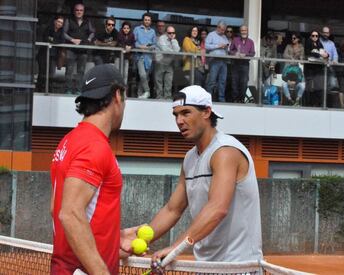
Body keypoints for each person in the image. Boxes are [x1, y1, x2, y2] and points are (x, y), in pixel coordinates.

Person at [123, 85, 263, 264]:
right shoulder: (190, 158)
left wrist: (176, 247)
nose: (179, 121)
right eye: (176, 115)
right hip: (205, 264)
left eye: (186, 113)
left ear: (206, 112)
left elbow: (217, 208)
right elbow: (172, 210)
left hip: (238, 266)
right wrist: (138, 240)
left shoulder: (225, 151)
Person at [50, 64, 128, 274]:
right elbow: (70, 213)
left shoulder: (68, 141)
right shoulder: (95, 146)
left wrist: (114, 238)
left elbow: (56, 209)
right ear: (117, 96)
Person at [63, 3, 95, 94]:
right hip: (71, 49)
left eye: (81, 10)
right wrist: (72, 40)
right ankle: (68, 90)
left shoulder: (87, 21)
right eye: (77, 10)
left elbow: (92, 32)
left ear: (83, 12)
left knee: (81, 71)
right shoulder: (69, 20)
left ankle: (78, 90)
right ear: (74, 11)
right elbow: (64, 33)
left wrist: (88, 39)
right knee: (69, 70)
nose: (79, 12)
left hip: (83, 49)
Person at [36, 15, 65, 93]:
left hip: (54, 56)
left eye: (61, 23)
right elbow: (46, 38)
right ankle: (40, 89)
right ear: (55, 21)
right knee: (42, 72)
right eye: (58, 21)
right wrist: (55, 41)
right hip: (43, 54)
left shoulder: (61, 31)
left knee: (51, 74)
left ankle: (49, 89)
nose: (59, 24)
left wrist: (53, 40)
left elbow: (61, 41)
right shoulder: (48, 28)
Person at [229, 25, 255, 103]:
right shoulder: (235, 40)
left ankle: (241, 100)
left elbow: (253, 53)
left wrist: (245, 55)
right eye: (242, 30)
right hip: (235, 64)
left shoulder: (251, 41)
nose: (244, 32)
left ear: (247, 31)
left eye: (245, 30)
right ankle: (235, 100)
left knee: (244, 82)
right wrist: (235, 53)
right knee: (234, 82)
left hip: (245, 64)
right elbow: (230, 51)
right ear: (240, 32)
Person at [133, 13, 156, 99]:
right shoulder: (137, 29)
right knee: (142, 75)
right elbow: (134, 42)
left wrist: (149, 47)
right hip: (140, 56)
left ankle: (140, 94)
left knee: (145, 77)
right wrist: (141, 46)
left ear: (150, 21)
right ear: (143, 20)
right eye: (145, 19)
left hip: (149, 58)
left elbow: (154, 45)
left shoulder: (152, 31)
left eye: (148, 20)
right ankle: (147, 91)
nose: (147, 21)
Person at [205, 21, 230, 102]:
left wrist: (227, 48)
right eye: (222, 30)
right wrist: (218, 46)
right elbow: (206, 46)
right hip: (214, 60)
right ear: (218, 27)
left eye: (224, 30)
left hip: (223, 61)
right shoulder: (211, 35)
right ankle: (208, 99)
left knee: (223, 81)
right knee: (212, 81)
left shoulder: (224, 37)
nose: (223, 31)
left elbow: (227, 48)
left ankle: (221, 98)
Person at [154, 25, 180, 99]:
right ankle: (159, 97)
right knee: (159, 82)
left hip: (169, 64)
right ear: (166, 33)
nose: (171, 34)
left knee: (168, 82)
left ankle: (167, 97)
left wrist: (172, 41)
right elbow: (164, 49)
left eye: (173, 33)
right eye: (169, 33)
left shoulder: (174, 40)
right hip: (160, 62)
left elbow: (177, 51)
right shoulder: (161, 38)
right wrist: (173, 52)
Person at [304, 30, 328, 107]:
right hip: (309, 68)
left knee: (318, 86)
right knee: (309, 87)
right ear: (310, 36)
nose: (315, 37)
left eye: (316, 36)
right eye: (313, 35)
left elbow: (323, 53)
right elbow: (308, 52)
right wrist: (318, 54)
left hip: (318, 68)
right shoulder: (308, 42)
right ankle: (307, 104)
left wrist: (326, 55)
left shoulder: (319, 43)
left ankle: (317, 103)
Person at [116, 21, 135, 86]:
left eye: (127, 28)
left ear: (130, 29)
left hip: (126, 57)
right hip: (119, 57)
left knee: (125, 73)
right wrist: (125, 46)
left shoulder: (132, 35)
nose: (126, 30)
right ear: (122, 28)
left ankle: (123, 89)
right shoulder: (119, 34)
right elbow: (118, 43)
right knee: (118, 73)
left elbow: (134, 44)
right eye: (124, 28)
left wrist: (130, 47)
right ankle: (117, 88)